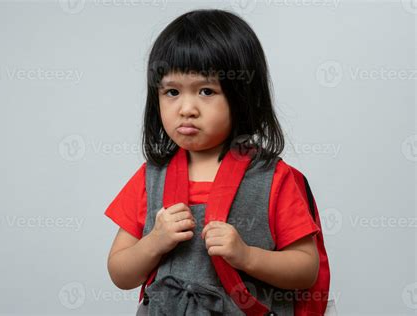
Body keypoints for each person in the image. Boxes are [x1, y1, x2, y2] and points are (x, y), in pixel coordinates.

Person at [104, 9, 321, 315]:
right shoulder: (150, 177)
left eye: (206, 91)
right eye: (172, 92)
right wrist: (154, 241)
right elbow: (120, 273)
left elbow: (305, 269)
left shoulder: (273, 178)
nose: (186, 108)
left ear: (244, 95)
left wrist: (246, 256)